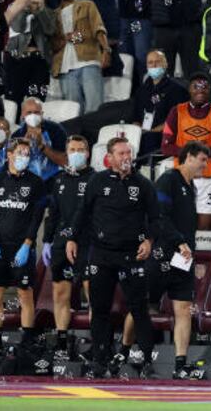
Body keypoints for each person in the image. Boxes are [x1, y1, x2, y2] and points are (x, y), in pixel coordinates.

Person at [67, 137, 160, 379]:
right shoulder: (97, 181)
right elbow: (82, 212)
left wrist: (149, 241)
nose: (126, 157)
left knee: (139, 308)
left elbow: (157, 218)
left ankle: (147, 360)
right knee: (99, 309)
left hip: (132, 254)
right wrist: (71, 238)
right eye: (121, 153)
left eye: (128, 153)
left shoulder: (143, 184)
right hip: (102, 253)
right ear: (110, 157)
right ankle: (99, 360)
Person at [151, 141, 210, 380]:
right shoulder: (168, 180)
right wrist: (178, 241)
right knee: (142, 305)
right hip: (162, 254)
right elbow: (159, 217)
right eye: (202, 160)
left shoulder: (191, 186)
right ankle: (124, 352)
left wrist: (188, 248)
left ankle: (180, 365)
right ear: (188, 157)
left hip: (183, 257)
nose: (205, 165)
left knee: (183, 309)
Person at [0, 138, 47, 356]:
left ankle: (27, 339)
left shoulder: (36, 183)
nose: (24, 157)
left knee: (25, 293)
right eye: (20, 152)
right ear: (9, 155)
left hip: (23, 247)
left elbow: (36, 218)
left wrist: (28, 244)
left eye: (27, 154)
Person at [42, 135, 94, 359]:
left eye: (80, 149)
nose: (76, 153)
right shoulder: (59, 180)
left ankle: (96, 344)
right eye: (72, 149)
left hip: (88, 243)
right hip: (61, 244)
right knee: (60, 294)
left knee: (93, 294)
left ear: (88, 153)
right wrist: (46, 240)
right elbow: (53, 214)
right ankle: (62, 343)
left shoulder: (96, 179)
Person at [161, 74, 211, 230]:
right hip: (182, 178)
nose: (200, 90)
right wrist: (193, 152)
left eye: (204, 87)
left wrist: (199, 152)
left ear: (210, 90)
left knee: (202, 231)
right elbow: (166, 147)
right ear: (189, 90)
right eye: (196, 87)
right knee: (180, 227)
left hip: (208, 178)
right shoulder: (176, 112)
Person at [51, 0, 111, 114]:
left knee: (95, 108)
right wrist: (66, 38)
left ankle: (95, 136)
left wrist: (106, 50)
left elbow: (99, 28)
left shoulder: (87, 5)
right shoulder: (53, 15)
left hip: (88, 61)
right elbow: (52, 44)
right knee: (73, 112)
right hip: (65, 69)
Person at [132, 50, 189, 155]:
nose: (154, 65)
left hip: (164, 136)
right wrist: (137, 131)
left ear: (166, 64)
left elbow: (178, 120)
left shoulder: (177, 90)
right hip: (143, 135)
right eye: (150, 62)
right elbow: (135, 117)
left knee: (150, 139)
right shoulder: (141, 91)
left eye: (157, 62)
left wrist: (152, 131)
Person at [12, 97, 68, 181]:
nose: (33, 115)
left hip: (53, 180)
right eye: (29, 113)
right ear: (23, 115)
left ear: (42, 114)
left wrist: (42, 146)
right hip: (27, 181)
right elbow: (13, 167)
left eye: (36, 112)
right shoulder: (17, 135)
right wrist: (24, 146)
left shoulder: (55, 129)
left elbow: (65, 162)